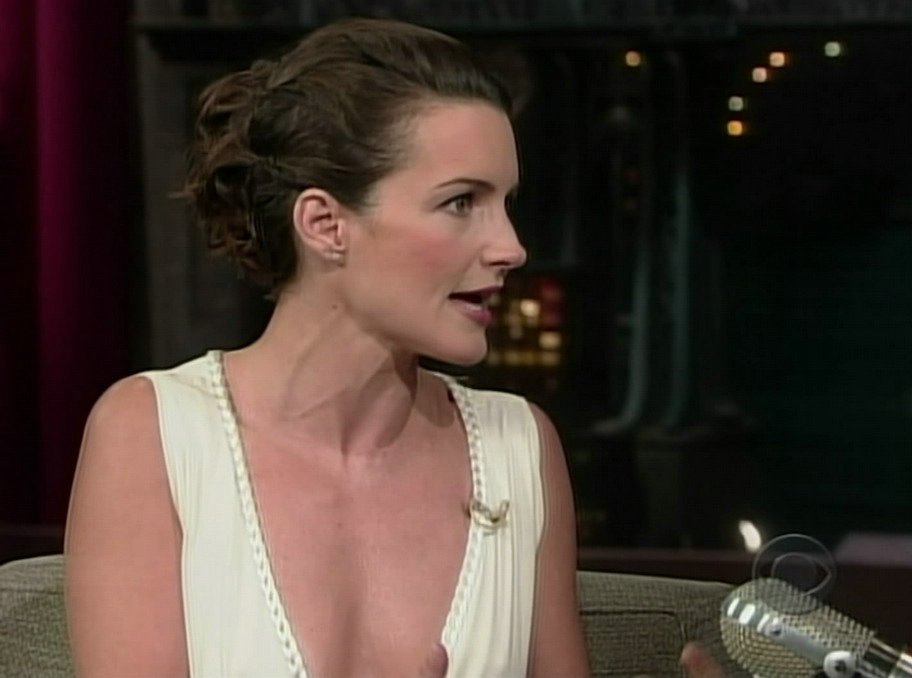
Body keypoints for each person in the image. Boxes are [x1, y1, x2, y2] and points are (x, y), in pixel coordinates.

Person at [64, 16, 724, 678]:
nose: (511, 247)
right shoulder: (154, 433)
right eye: (461, 202)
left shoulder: (519, 447)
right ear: (325, 224)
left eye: (507, 203)